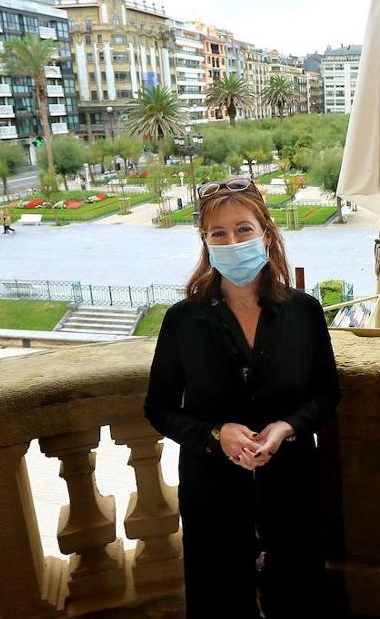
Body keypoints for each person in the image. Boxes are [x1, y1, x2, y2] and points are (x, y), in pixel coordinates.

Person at [144, 177, 339, 618]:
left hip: (290, 485)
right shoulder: (183, 321)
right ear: (205, 243)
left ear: (266, 233)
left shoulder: (304, 312)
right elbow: (158, 408)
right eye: (219, 233)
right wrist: (216, 433)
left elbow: (326, 393)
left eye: (243, 229)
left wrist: (286, 428)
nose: (232, 241)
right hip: (213, 492)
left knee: (296, 595)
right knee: (221, 598)